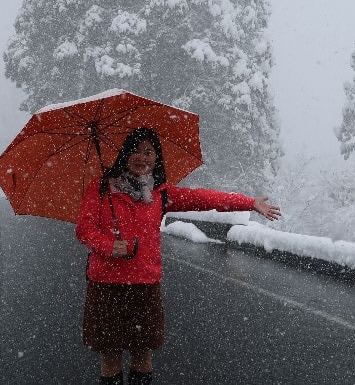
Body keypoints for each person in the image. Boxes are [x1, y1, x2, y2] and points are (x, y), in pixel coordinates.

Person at [75, 127, 281, 384]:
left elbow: (204, 198)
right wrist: (109, 246)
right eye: (136, 151)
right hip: (107, 284)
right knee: (110, 354)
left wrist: (249, 203)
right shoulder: (101, 189)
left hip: (145, 284)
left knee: (143, 352)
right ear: (125, 154)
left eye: (149, 152)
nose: (142, 158)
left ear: (156, 158)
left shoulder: (161, 194)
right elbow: (84, 229)